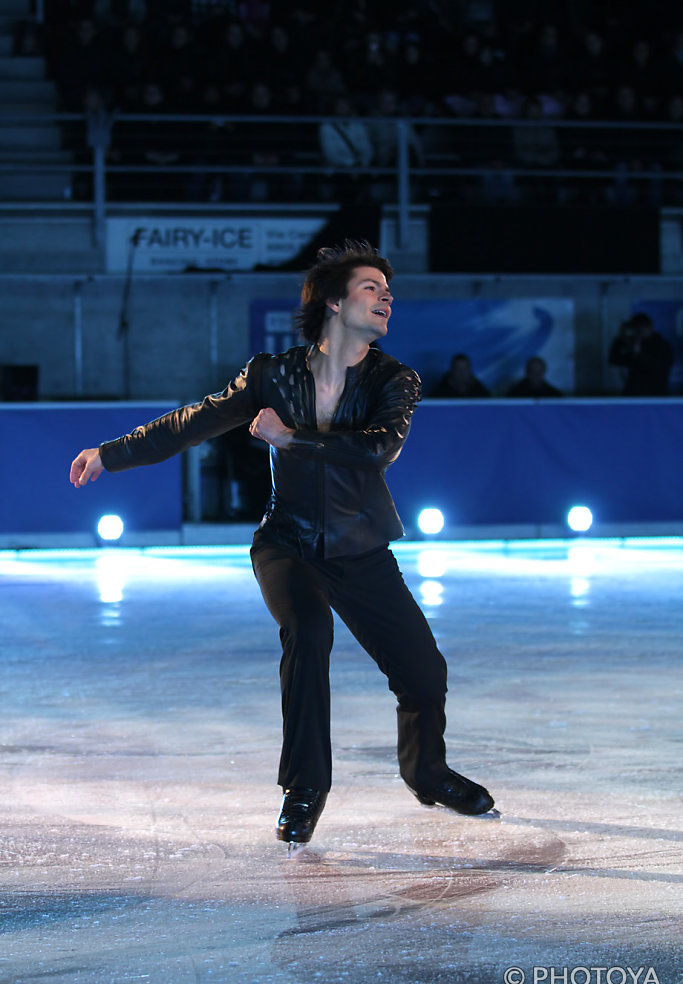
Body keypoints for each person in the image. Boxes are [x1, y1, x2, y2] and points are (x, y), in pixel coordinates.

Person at [70, 240, 496, 847]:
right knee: (308, 633)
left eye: (387, 291)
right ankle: (305, 788)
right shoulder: (272, 374)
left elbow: (378, 450)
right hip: (287, 545)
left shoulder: (395, 380)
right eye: (371, 288)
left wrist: (290, 439)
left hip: (360, 548)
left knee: (425, 673)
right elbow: (193, 421)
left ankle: (428, 772)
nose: (386, 298)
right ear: (332, 301)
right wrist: (110, 454)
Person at [608, 313, 674, 396]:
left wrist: (639, 354)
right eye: (635, 329)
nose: (638, 332)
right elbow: (614, 359)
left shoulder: (662, 346)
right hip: (633, 394)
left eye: (640, 328)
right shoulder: (635, 343)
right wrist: (621, 338)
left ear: (649, 328)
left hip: (656, 394)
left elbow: (658, 369)